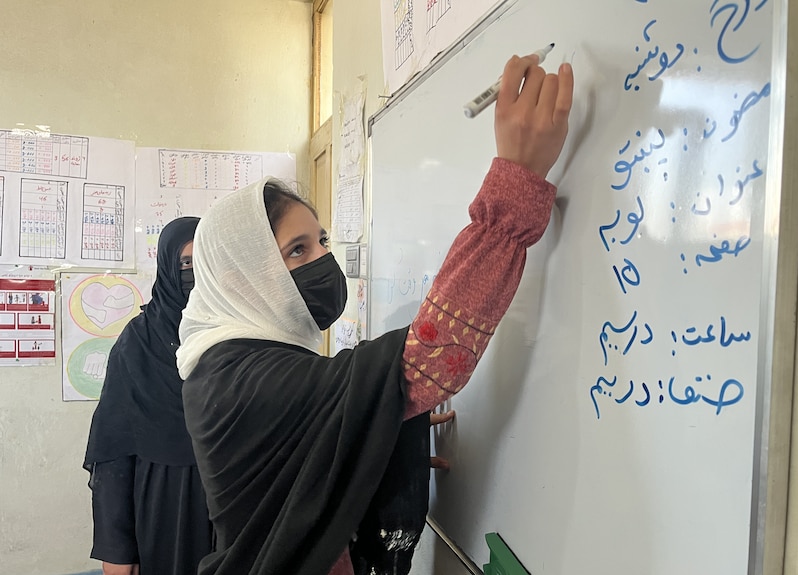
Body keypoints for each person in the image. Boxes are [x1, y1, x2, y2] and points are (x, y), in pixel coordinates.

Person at [176, 53, 574, 575]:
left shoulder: (231, 360)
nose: (324, 260)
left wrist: (383, 443)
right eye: (297, 251)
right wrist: (517, 181)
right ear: (238, 281)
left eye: (321, 241)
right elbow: (429, 360)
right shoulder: (242, 379)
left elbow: (305, 460)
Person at [84, 217, 212, 575]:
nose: (196, 274)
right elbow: (113, 454)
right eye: (186, 264)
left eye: (207, 261)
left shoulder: (240, 334)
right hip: (163, 512)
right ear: (168, 268)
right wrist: (118, 553)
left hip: (234, 509)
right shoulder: (138, 344)